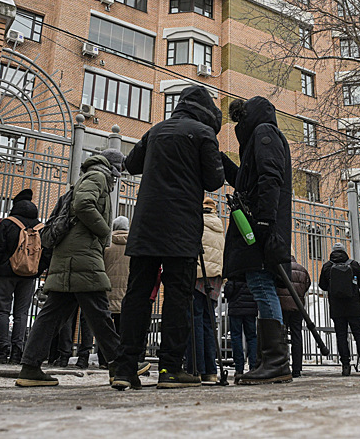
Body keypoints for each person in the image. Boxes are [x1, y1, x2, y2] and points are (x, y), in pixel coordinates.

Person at [112, 86, 224, 390]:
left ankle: (124, 368)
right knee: (178, 296)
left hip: (147, 224)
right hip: (181, 227)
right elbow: (214, 180)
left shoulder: (156, 130)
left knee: (137, 295)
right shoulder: (203, 133)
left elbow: (131, 165)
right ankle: (170, 369)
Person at [16, 150, 146, 386]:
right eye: (118, 173)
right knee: (99, 310)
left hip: (71, 254)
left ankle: (30, 367)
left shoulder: (89, 175)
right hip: (82, 255)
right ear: (113, 168)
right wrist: (104, 231)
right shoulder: (98, 175)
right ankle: (119, 366)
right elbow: (84, 204)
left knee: (53, 314)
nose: (117, 179)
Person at [222, 97, 293, 385]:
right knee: (260, 286)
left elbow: (269, 178)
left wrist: (264, 222)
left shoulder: (264, 133)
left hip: (262, 227)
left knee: (262, 287)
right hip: (260, 225)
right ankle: (270, 361)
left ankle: (275, 361)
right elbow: (248, 180)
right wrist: (225, 163)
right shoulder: (260, 137)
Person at [0, 188, 51, 364]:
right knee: (22, 313)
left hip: (6, 274)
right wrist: (36, 269)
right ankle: (17, 352)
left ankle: (2, 351)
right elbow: (46, 254)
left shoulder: (8, 223)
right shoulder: (40, 227)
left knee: (2, 311)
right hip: (29, 276)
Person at [319, 243, 360, 377]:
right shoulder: (354, 264)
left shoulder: (327, 266)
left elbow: (322, 286)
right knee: (359, 335)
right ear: (345, 252)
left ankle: (345, 366)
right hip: (354, 306)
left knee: (341, 336)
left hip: (336, 307)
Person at [185, 196, 225, 383]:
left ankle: (196, 368)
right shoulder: (220, 226)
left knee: (195, 321)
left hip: (198, 276)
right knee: (210, 323)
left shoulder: (197, 222)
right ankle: (211, 370)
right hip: (215, 279)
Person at [100, 215, 131, 369]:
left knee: (105, 326)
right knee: (122, 328)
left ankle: (103, 359)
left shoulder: (106, 244)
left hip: (106, 290)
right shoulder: (132, 245)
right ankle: (119, 358)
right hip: (125, 292)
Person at [277, 256, 311, 378]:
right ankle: (297, 368)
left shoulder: (279, 268)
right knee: (297, 336)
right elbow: (307, 285)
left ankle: (282, 365)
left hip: (282, 307)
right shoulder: (302, 270)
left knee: (281, 336)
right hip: (297, 308)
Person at [225, 279, 258, 383]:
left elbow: (228, 291)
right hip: (250, 309)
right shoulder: (251, 274)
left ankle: (239, 368)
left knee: (236, 337)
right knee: (252, 337)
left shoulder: (234, 273)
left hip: (235, 308)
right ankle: (253, 367)